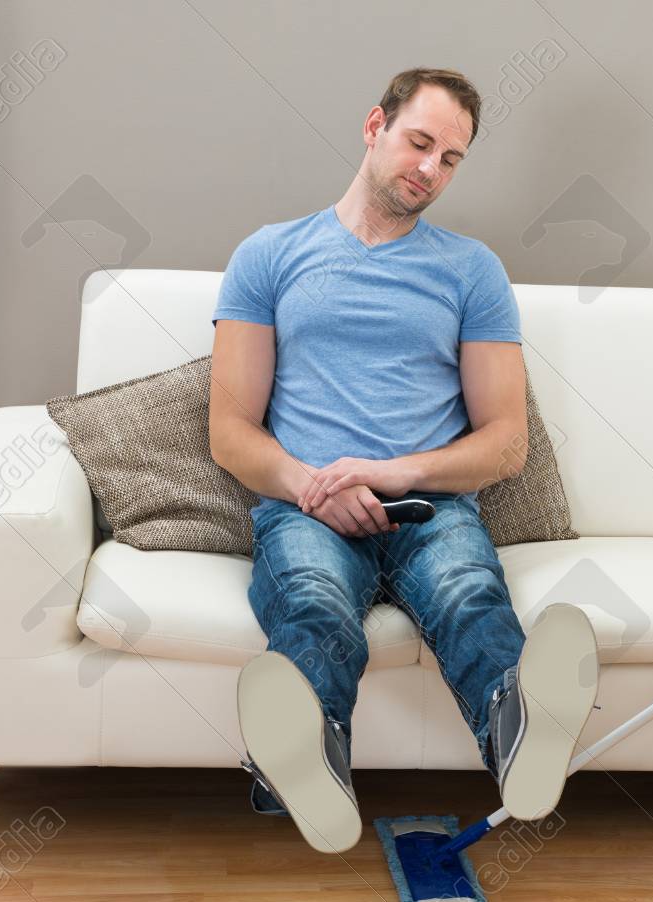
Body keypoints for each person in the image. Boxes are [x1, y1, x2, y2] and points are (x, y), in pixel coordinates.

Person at [207, 68, 600, 855]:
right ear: (374, 126)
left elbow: (505, 442)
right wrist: (315, 487)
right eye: (420, 143)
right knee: (314, 603)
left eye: (451, 159)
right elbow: (230, 430)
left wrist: (394, 473)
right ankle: (306, 758)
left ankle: (520, 733)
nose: (430, 169)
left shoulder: (470, 271)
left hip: (429, 508)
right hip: (305, 508)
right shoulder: (269, 255)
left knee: (467, 595)